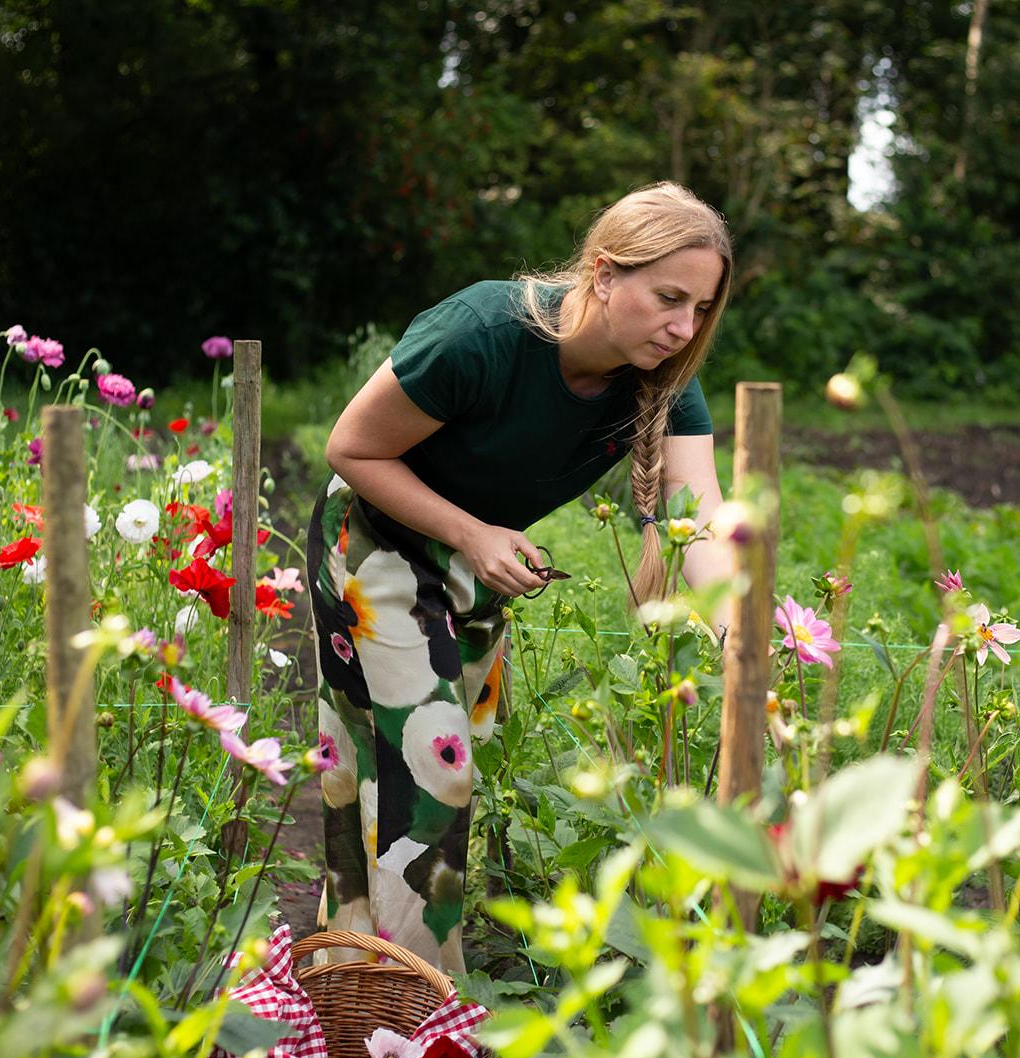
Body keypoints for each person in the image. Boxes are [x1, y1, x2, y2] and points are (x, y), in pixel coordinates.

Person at [307, 181, 736, 972]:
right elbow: (352, 449)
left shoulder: (664, 384)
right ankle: (427, 1020)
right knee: (434, 770)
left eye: (701, 309)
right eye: (669, 297)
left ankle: (350, 980)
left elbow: (696, 522)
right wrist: (471, 532)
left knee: (403, 761)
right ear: (604, 274)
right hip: (374, 534)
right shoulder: (480, 332)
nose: (684, 327)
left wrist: (738, 627)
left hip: (476, 564)